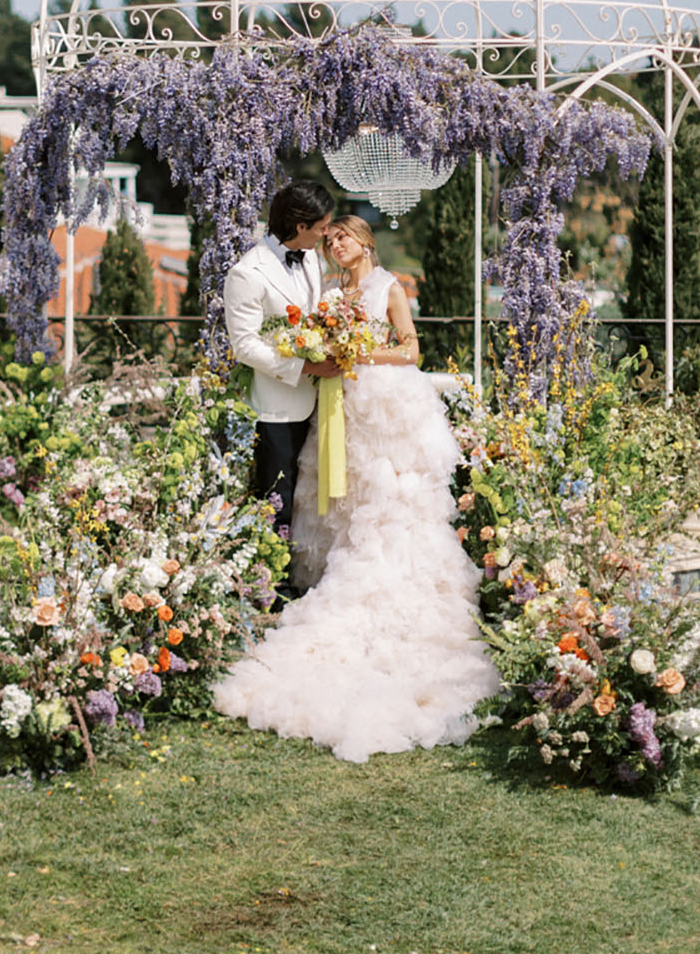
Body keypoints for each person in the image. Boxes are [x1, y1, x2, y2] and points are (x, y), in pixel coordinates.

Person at [214, 214, 499, 762]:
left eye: (342, 236)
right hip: (338, 405)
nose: (334, 245)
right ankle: (328, 576)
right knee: (340, 497)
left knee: (387, 499)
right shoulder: (327, 289)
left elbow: (411, 350)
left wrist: (356, 354)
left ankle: (392, 584)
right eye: (328, 239)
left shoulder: (389, 286)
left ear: (364, 241)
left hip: (383, 402)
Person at [222, 181, 338, 546]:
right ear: (300, 226)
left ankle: (294, 574)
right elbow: (245, 347)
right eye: (321, 229)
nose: (325, 236)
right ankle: (269, 588)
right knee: (277, 502)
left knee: (306, 500)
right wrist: (306, 368)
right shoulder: (248, 272)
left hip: (315, 402)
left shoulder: (312, 260)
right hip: (275, 407)